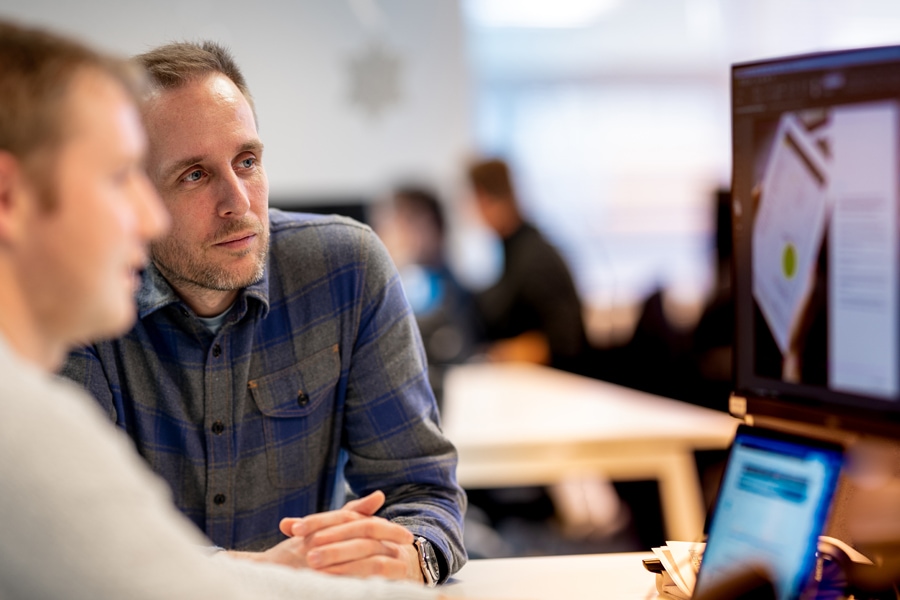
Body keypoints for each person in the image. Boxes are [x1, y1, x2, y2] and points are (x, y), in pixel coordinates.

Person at [0, 20, 451, 599]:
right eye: (118, 179)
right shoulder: (29, 405)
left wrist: (398, 557)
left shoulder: (345, 265)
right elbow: (134, 576)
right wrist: (291, 570)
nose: (145, 217)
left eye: (248, 161)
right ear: (10, 198)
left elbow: (421, 490)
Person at [466, 157, 588, 374]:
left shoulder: (534, 258)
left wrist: (499, 356)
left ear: (484, 199)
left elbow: (565, 342)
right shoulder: (514, 251)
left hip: (556, 386)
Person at [372, 185, 479, 409]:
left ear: (432, 226)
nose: (389, 233)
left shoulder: (434, 287)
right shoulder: (405, 282)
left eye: (404, 223)